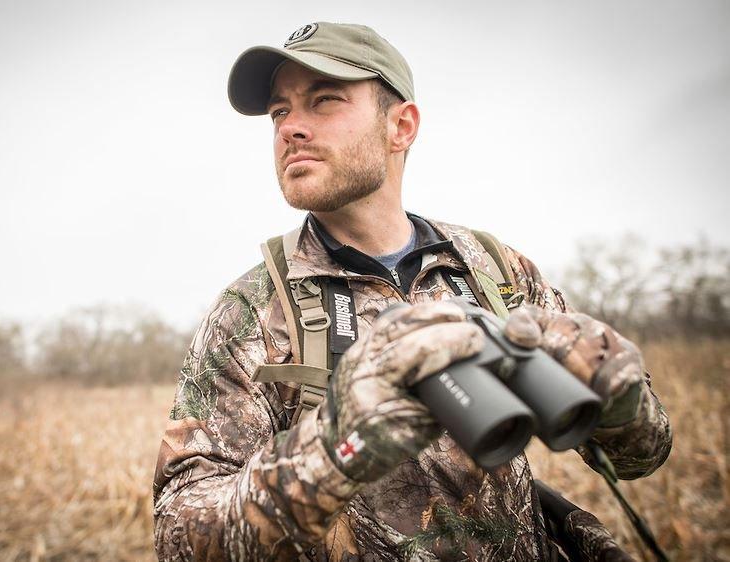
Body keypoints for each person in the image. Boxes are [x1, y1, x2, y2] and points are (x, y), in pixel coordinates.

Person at [153, 22, 671, 561]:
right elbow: (179, 539)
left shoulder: (494, 270)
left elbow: (641, 457)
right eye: (280, 111)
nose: (290, 129)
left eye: (323, 101)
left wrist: (620, 397)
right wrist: (334, 449)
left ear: (401, 126)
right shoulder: (251, 311)